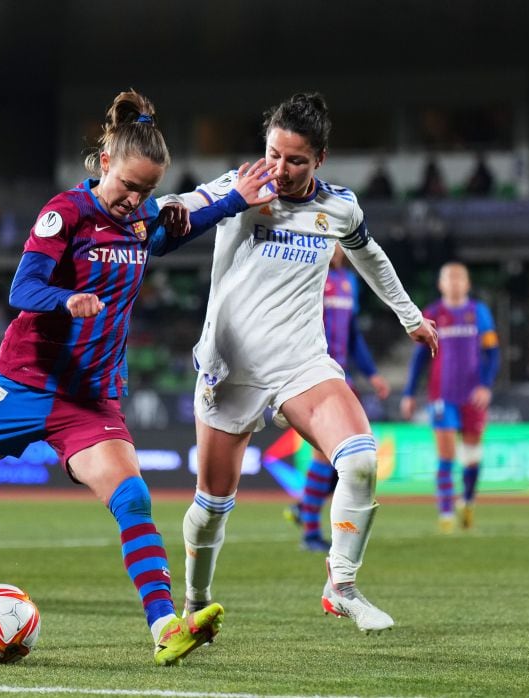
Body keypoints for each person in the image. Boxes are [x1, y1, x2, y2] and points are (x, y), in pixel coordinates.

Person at [0, 89, 276, 666]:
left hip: (88, 400)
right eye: (129, 185)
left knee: (132, 496)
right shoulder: (66, 213)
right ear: (105, 162)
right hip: (20, 385)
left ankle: (165, 627)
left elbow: (167, 233)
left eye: (148, 190)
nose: (136, 200)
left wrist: (233, 199)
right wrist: (67, 301)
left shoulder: (138, 219)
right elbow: (21, 289)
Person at [173, 92, 438, 635]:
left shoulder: (339, 206)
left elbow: (370, 255)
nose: (281, 169)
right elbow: (176, 212)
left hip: (301, 364)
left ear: (319, 159)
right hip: (231, 371)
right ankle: (195, 601)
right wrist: (143, 208)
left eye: (295, 160)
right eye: (273, 153)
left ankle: (341, 586)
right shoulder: (240, 187)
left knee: (361, 462)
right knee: (213, 503)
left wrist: (409, 316)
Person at [286, 243, 392, 553]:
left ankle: (305, 510)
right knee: (325, 452)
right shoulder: (307, 275)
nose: (333, 248)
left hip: (341, 374)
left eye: (337, 241)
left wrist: (371, 373)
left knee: (342, 453)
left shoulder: (349, 282)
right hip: (313, 371)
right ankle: (309, 530)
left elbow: (353, 332)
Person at [400, 262, 499, 533]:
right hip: (442, 395)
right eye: (449, 278)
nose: (454, 283)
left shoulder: (479, 313)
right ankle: (445, 515)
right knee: (446, 454)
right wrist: (409, 393)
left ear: (467, 284)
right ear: (441, 284)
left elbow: (493, 353)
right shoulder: (432, 314)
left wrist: (486, 386)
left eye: (459, 278)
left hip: (472, 395)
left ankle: (466, 502)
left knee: (472, 456)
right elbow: (419, 357)